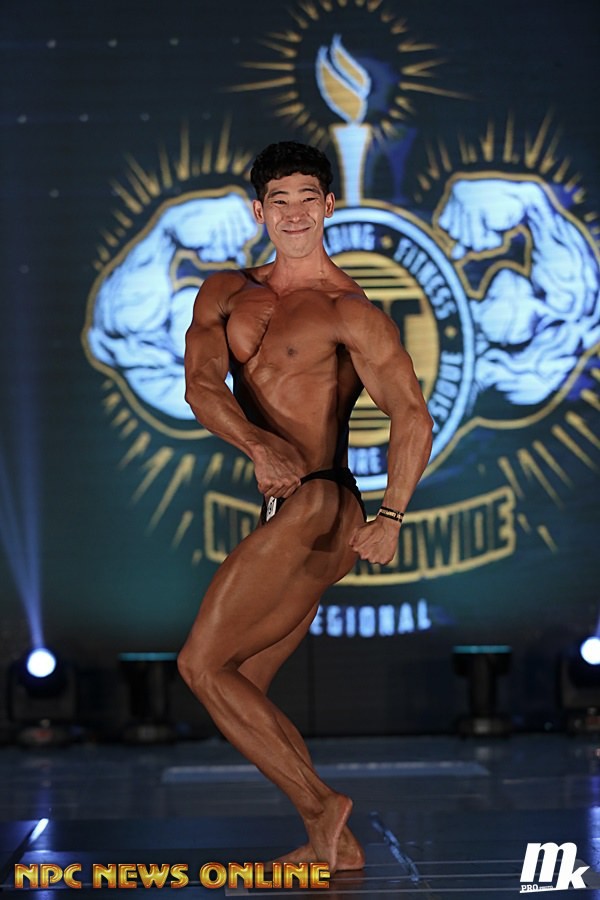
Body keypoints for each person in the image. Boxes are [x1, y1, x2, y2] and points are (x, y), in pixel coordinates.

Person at [178, 141, 433, 872]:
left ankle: (323, 808)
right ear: (259, 212)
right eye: (279, 201)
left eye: (307, 200)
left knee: (200, 665)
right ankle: (336, 842)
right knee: (240, 683)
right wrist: (258, 443)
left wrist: (393, 515)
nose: (294, 214)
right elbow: (201, 386)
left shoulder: (350, 310)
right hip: (285, 509)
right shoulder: (225, 292)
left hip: (324, 501)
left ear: (329, 207)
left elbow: (411, 414)